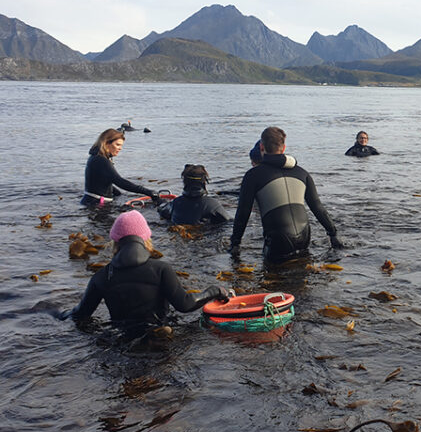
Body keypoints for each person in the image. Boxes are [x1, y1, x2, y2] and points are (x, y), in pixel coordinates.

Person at [59, 210, 229, 337]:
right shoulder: (161, 269)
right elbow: (185, 305)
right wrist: (215, 291)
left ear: (116, 243)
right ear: (145, 240)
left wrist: (56, 311)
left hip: (121, 341)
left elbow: (80, 315)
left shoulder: (101, 277)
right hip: (159, 336)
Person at [231, 126, 343, 263]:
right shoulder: (302, 173)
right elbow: (317, 208)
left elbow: (243, 212)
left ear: (261, 147)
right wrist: (333, 234)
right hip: (304, 237)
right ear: (283, 148)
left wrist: (235, 244)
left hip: (278, 242)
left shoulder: (252, 175)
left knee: (271, 280)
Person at [81, 128, 162, 207]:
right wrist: (149, 192)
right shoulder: (101, 160)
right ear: (106, 143)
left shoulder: (95, 157)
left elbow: (102, 181)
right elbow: (120, 181)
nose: (120, 148)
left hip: (92, 202)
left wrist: (119, 194)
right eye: (117, 144)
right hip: (97, 204)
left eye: (121, 145)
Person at [157, 164, 229, 225]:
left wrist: (160, 201)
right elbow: (229, 222)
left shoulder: (175, 203)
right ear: (204, 182)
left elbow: (162, 210)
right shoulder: (212, 204)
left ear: (185, 182)